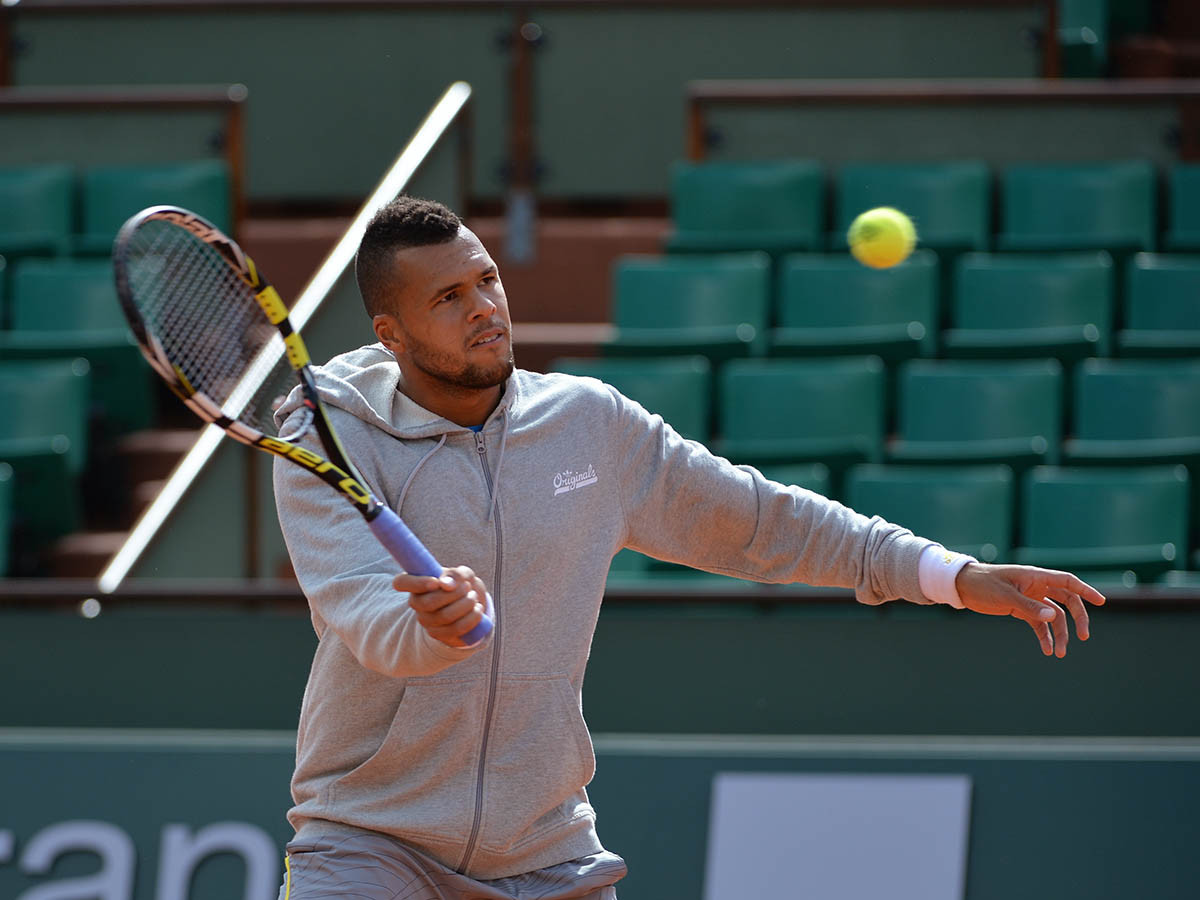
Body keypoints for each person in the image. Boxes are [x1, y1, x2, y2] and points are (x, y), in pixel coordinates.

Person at [272, 196, 1105, 900]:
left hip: (543, 853)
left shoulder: (589, 424)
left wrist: (951, 575)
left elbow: (763, 521)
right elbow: (359, 607)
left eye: (487, 278)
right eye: (448, 297)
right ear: (391, 332)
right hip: (369, 848)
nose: (485, 307)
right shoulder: (326, 440)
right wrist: (432, 628)